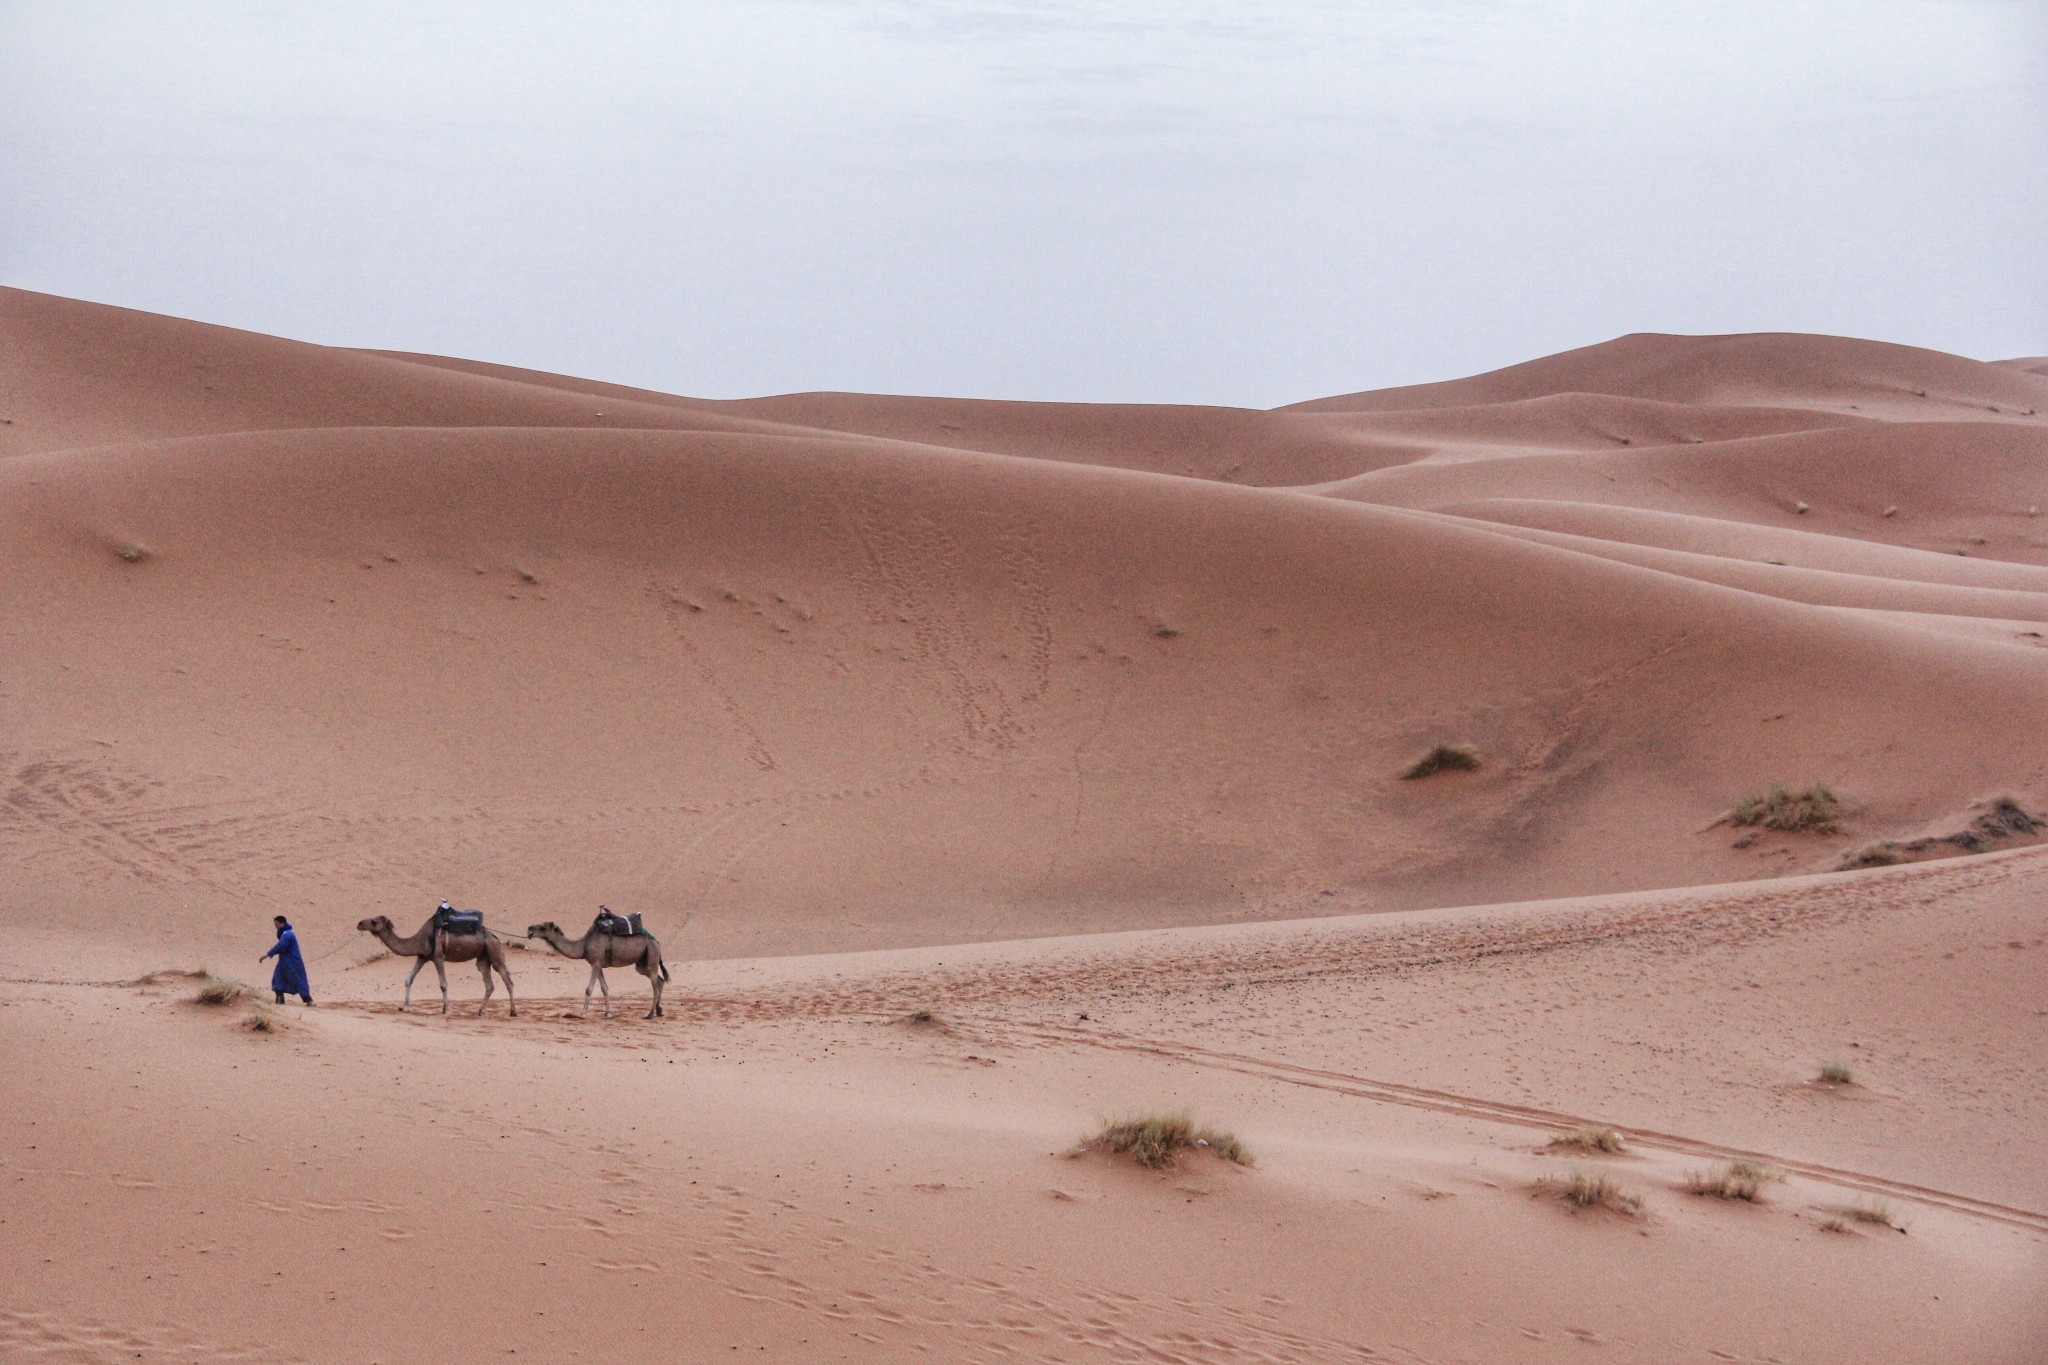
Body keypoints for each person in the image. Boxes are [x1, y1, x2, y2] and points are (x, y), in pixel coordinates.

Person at [261, 915, 313, 1005]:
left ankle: (308, 1000)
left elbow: (280, 946)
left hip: (293, 962)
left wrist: (268, 954)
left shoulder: (288, 934)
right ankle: (280, 1001)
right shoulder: (284, 933)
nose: (276, 927)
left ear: (283, 923)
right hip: (284, 962)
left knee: (298, 980)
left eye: (277, 925)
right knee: (277, 978)